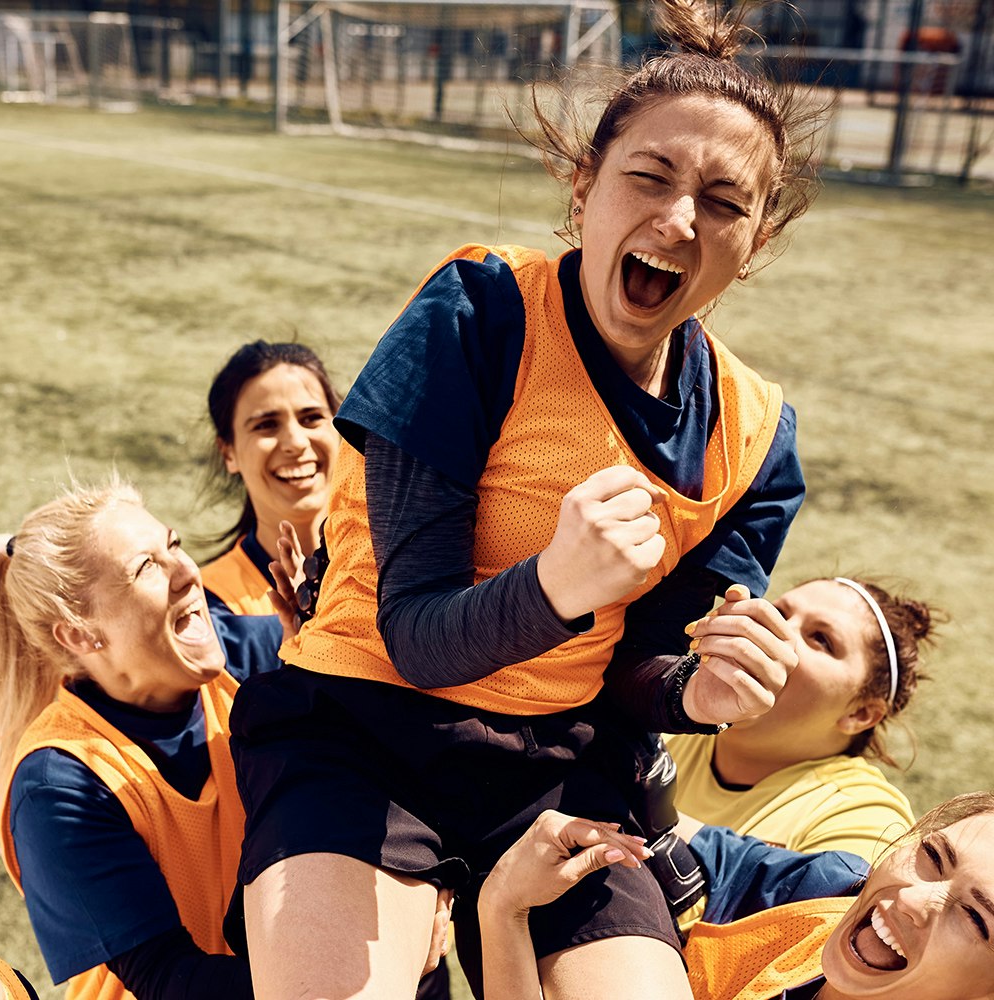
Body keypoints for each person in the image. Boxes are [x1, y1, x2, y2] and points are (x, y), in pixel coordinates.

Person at [228, 3, 825, 997]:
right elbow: (414, 637)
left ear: (755, 239)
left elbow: (640, 669)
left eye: (724, 201)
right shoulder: (478, 312)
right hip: (365, 718)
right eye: (651, 176)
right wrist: (556, 582)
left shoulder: (756, 434)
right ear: (584, 184)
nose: (680, 219)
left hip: (559, 766)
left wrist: (692, 691)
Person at [0, 481, 286, 999]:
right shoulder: (57, 784)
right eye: (146, 567)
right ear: (80, 634)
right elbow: (168, 979)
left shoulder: (243, 662)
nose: (189, 571)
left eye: (173, 545)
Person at [480, 795, 994, 1000]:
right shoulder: (830, 893)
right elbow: (683, 844)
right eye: (932, 854)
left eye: (974, 916)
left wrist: (502, 910)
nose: (912, 899)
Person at [667, 575, 936, 860]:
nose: (777, 633)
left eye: (821, 639)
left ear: (860, 713)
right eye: (780, 613)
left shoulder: (864, 819)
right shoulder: (663, 719)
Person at [201, 339, 342, 616]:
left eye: (311, 417)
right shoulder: (212, 609)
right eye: (266, 425)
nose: (296, 442)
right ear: (228, 452)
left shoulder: (393, 562)